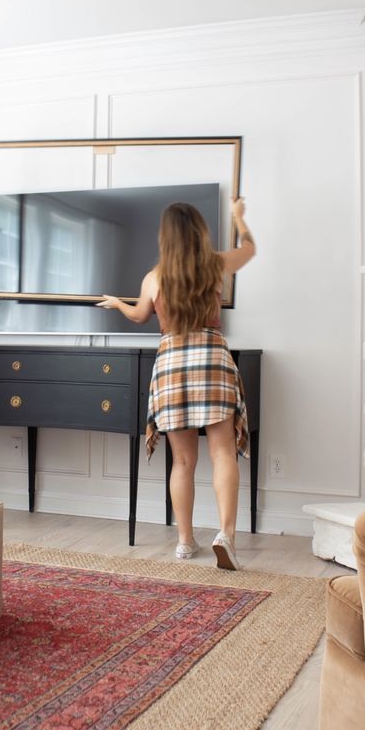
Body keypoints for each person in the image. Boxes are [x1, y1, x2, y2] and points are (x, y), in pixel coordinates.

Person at [97, 197, 256, 569]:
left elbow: (139, 316)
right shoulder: (215, 265)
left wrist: (117, 303)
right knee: (222, 453)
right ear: (199, 232)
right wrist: (239, 219)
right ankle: (226, 536)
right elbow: (250, 250)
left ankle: (185, 542)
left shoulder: (154, 278)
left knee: (183, 461)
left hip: (171, 366)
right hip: (212, 358)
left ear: (164, 237)